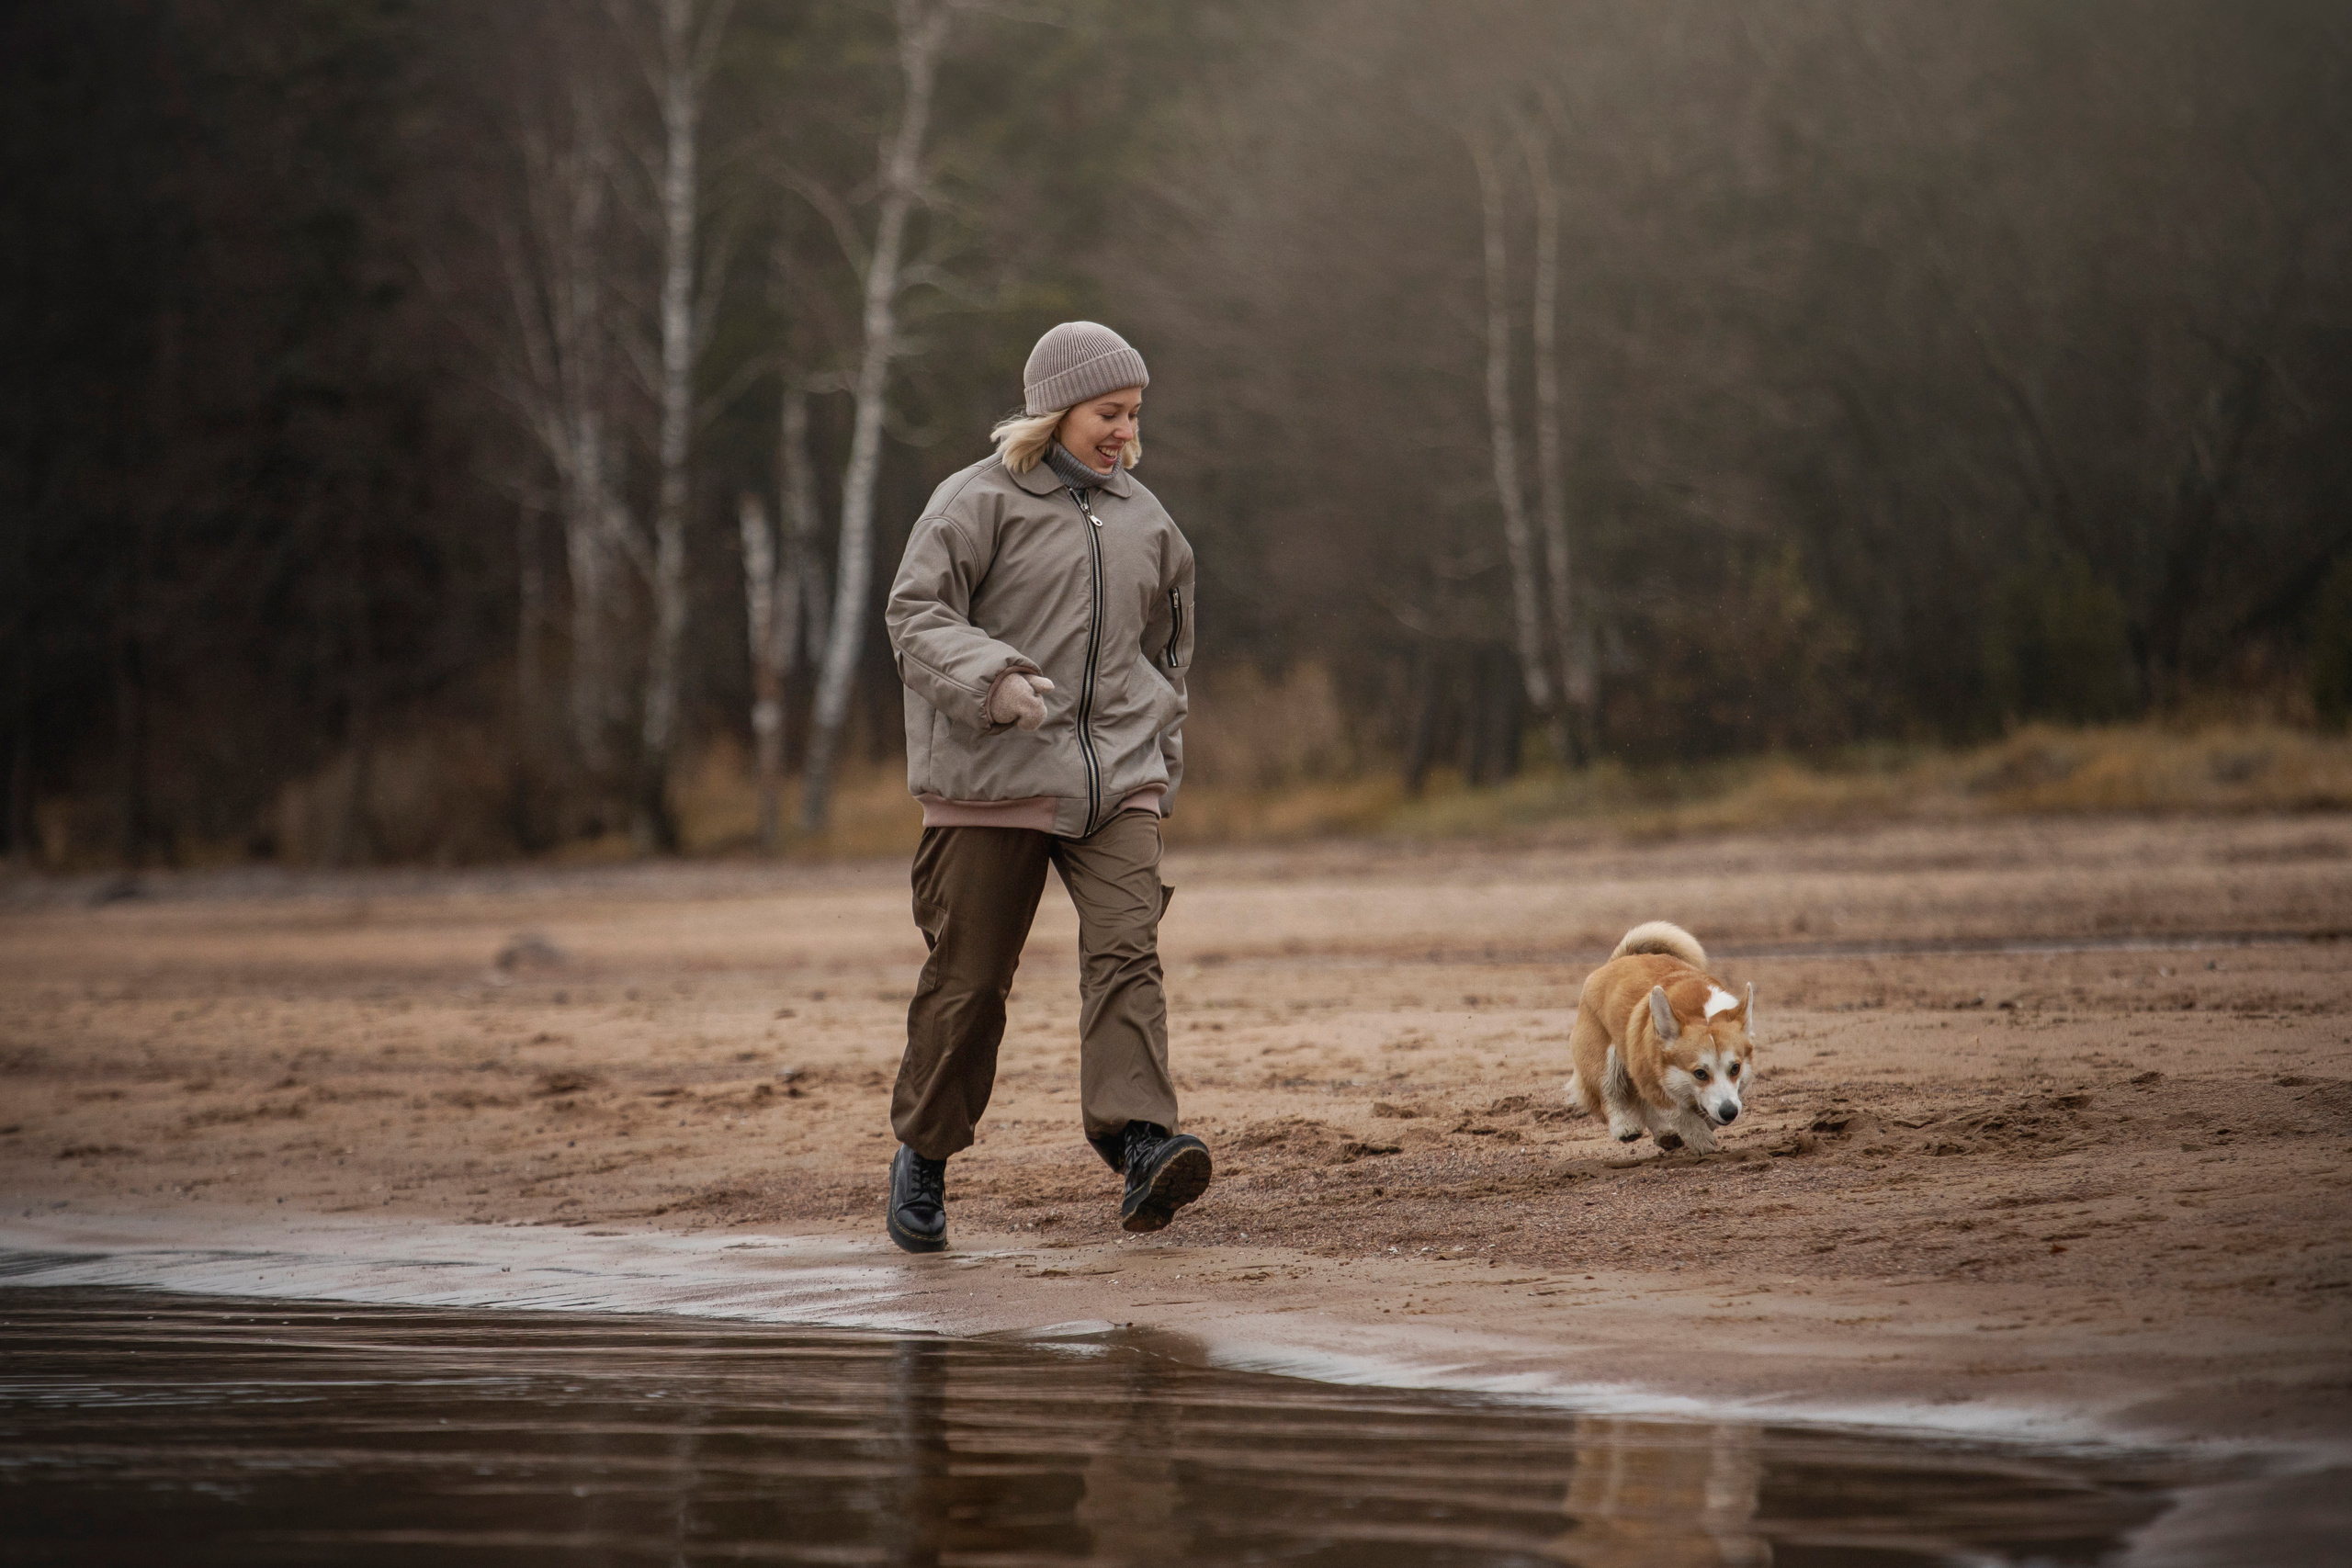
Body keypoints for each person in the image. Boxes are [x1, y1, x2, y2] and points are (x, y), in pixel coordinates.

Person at [879, 321, 1211, 1253]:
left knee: (1126, 953)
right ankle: (926, 1152)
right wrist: (994, 679)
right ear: (1055, 410)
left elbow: (1169, 656)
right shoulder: (973, 503)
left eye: (1134, 414)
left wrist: (1158, 763)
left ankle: (1140, 1143)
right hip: (993, 778)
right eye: (1108, 413)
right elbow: (914, 616)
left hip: (1118, 783)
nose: (1123, 432)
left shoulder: (1147, 519)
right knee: (970, 985)